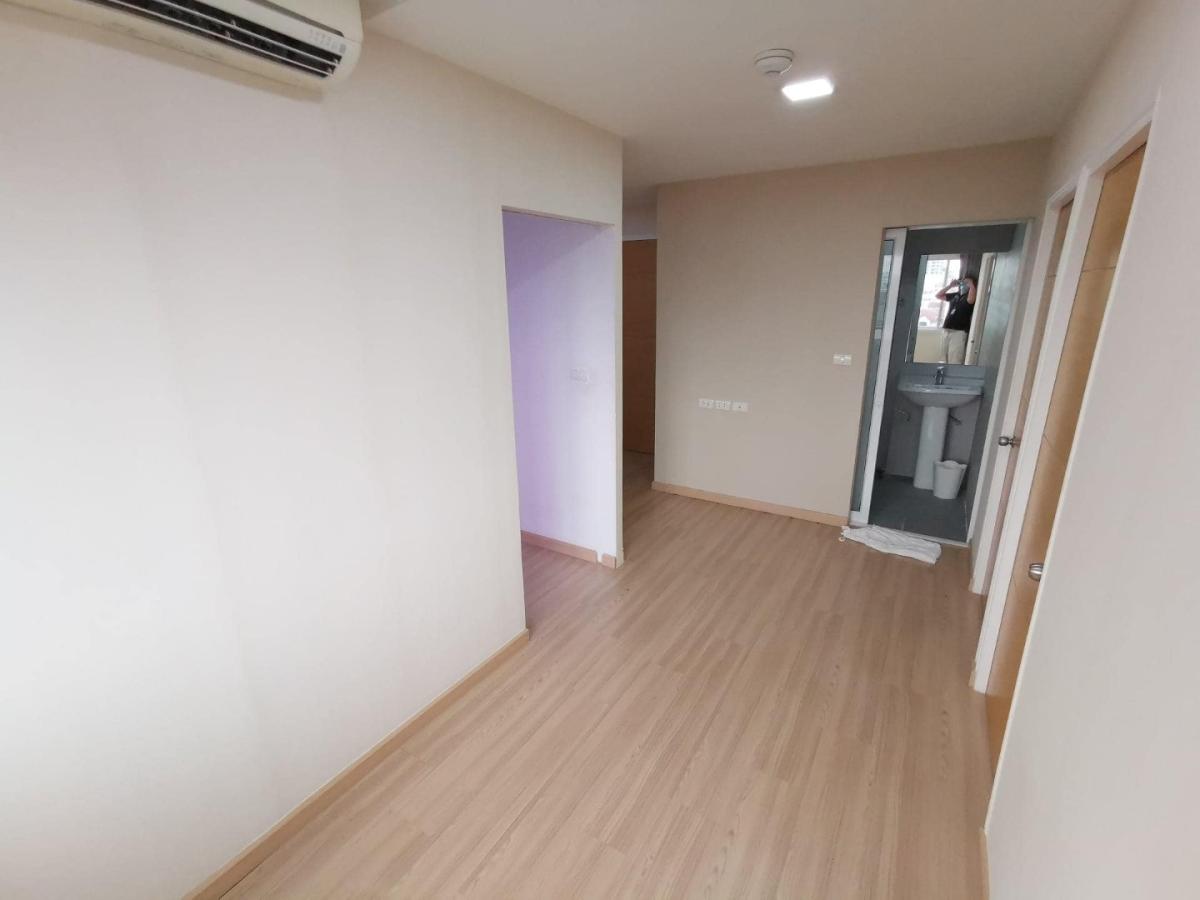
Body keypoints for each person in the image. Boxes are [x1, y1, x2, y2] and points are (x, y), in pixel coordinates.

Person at [936, 272, 977, 365]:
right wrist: (950, 286)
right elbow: (938, 296)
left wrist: (971, 284)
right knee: (943, 358)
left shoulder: (969, 297)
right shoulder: (956, 295)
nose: (963, 284)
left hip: (958, 332)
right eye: (962, 282)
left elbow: (971, 299)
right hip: (946, 330)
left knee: (955, 359)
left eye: (965, 283)